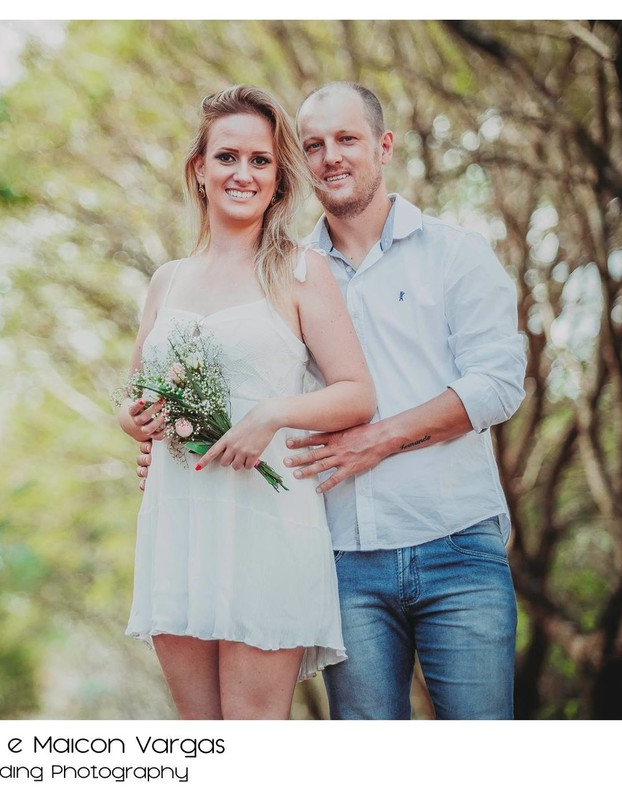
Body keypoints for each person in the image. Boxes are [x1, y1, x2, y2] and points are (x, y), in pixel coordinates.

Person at [136, 82, 527, 719]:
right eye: (314, 145)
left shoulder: (454, 253)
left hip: (455, 541)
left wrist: (380, 438)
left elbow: (498, 384)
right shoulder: (282, 267)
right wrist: (173, 439)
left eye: (347, 139)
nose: (331, 157)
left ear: (384, 146)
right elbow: (233, 381)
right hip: (344, 553)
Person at [117, 85, 375, 720]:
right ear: (199, 169)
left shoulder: (300, 271)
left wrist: (272, 414)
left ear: (278, 177)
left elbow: (357, 394)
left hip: (266, 529)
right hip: (178, 526)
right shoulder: (167, 280)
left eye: (261, 160)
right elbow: (133, 397)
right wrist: (135, 420)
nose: (243, 173)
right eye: (227, 157)